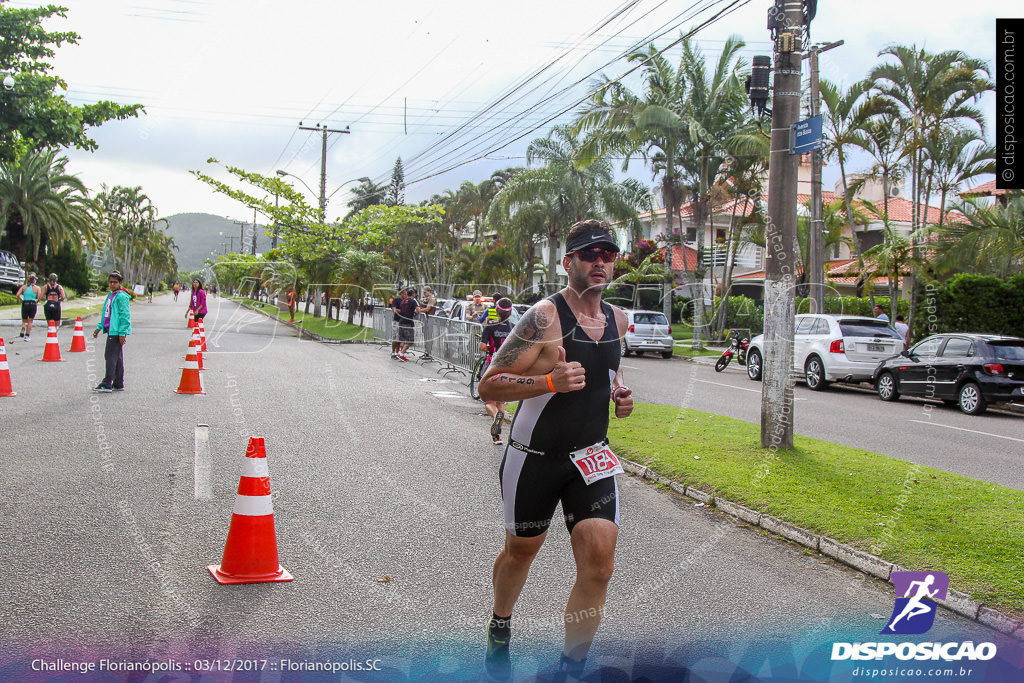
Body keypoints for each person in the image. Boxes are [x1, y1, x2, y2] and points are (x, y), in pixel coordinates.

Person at [478, 219, 634, 681]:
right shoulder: (543, 317)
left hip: (590, 458)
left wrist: (619, 394)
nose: (601, 261)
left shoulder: (619, 320)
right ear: (569, 263)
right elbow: (489, 385)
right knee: (521, 551)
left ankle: (572, 667)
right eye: (590, 254)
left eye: (608, 254)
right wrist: (547, 381)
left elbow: (609, 373)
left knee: (600, 563)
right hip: (534, 458)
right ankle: (500, 625)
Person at [479, 298, 515, 445]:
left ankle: (495, 417)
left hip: (492, 365)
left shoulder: (490, 326)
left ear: (497, 311)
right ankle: (497, 437)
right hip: (508, 367)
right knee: (500, 402)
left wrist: (490, 350)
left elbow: (482, 346)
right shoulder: (514, 328)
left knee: (488, 400)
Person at [92, 271, 132, 392]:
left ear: (120, 283)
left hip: (116, 331)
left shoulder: (121, 296)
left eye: (115, 282)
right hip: (110, 329)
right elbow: (106, 313)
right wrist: (99, 327)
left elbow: (125, 316)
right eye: (110, 282)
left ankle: (107, 382)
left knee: (110, 357)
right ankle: (118, 383)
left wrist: (122, 333)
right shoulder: (111, 295)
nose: (112, 284)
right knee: (117, 357)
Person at [16, 273, 42, 341]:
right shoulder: (37, 288)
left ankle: (23, 327)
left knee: (24, 320)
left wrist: (22, 299)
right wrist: (37, 301)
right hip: (32, 303)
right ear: (34, 281)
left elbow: (17, 294)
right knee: (30, 321)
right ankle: (27, 336)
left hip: (25, 303)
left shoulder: (24, 287)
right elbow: (39, 297)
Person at [395, 287, 419, 361]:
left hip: (401, 321)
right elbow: (418, 309)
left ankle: (400, 353)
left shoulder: (403, 301)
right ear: (413, 294)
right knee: (409, 340)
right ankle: (401, 354)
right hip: (408, 322)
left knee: (402, 339)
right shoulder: (412, 301)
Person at [390, 290, 405, 359]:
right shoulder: (396, 300)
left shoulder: (406, 301)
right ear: (401, 294)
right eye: (404, 294)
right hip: (396, 321)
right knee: (395, 338)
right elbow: (394, 309)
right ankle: (393, 352)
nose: (405, 296)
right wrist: (398, 310)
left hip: (403, 322)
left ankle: (397, 352)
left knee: (400, 338)